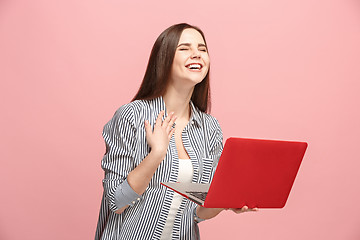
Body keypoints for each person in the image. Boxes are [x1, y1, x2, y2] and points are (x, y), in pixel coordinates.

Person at [95, 23, 257, 240]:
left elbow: (196, 213)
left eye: (202, 49)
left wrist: (225, 201)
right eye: (185, 48)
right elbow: (116, 202)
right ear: (164, 59)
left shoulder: (210, 128)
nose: (196, 54)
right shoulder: (131, 116)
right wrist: (157, 154)